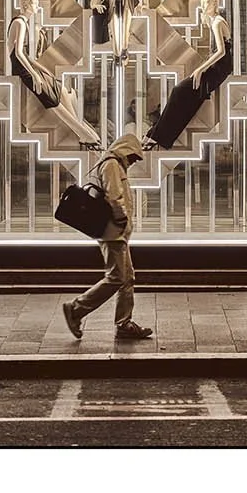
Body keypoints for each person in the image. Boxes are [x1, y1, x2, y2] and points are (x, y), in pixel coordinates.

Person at [61, 134, 155, 339]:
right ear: (124, 149)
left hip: (117, 232)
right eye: (132, 157)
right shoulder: (112, 164)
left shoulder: (114, 164)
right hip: (113, 232)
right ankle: (76, 309)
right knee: (116, 278)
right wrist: (121, 219)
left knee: (127, 277)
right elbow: (114, 195)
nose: (133, 162)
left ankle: (124, 323)